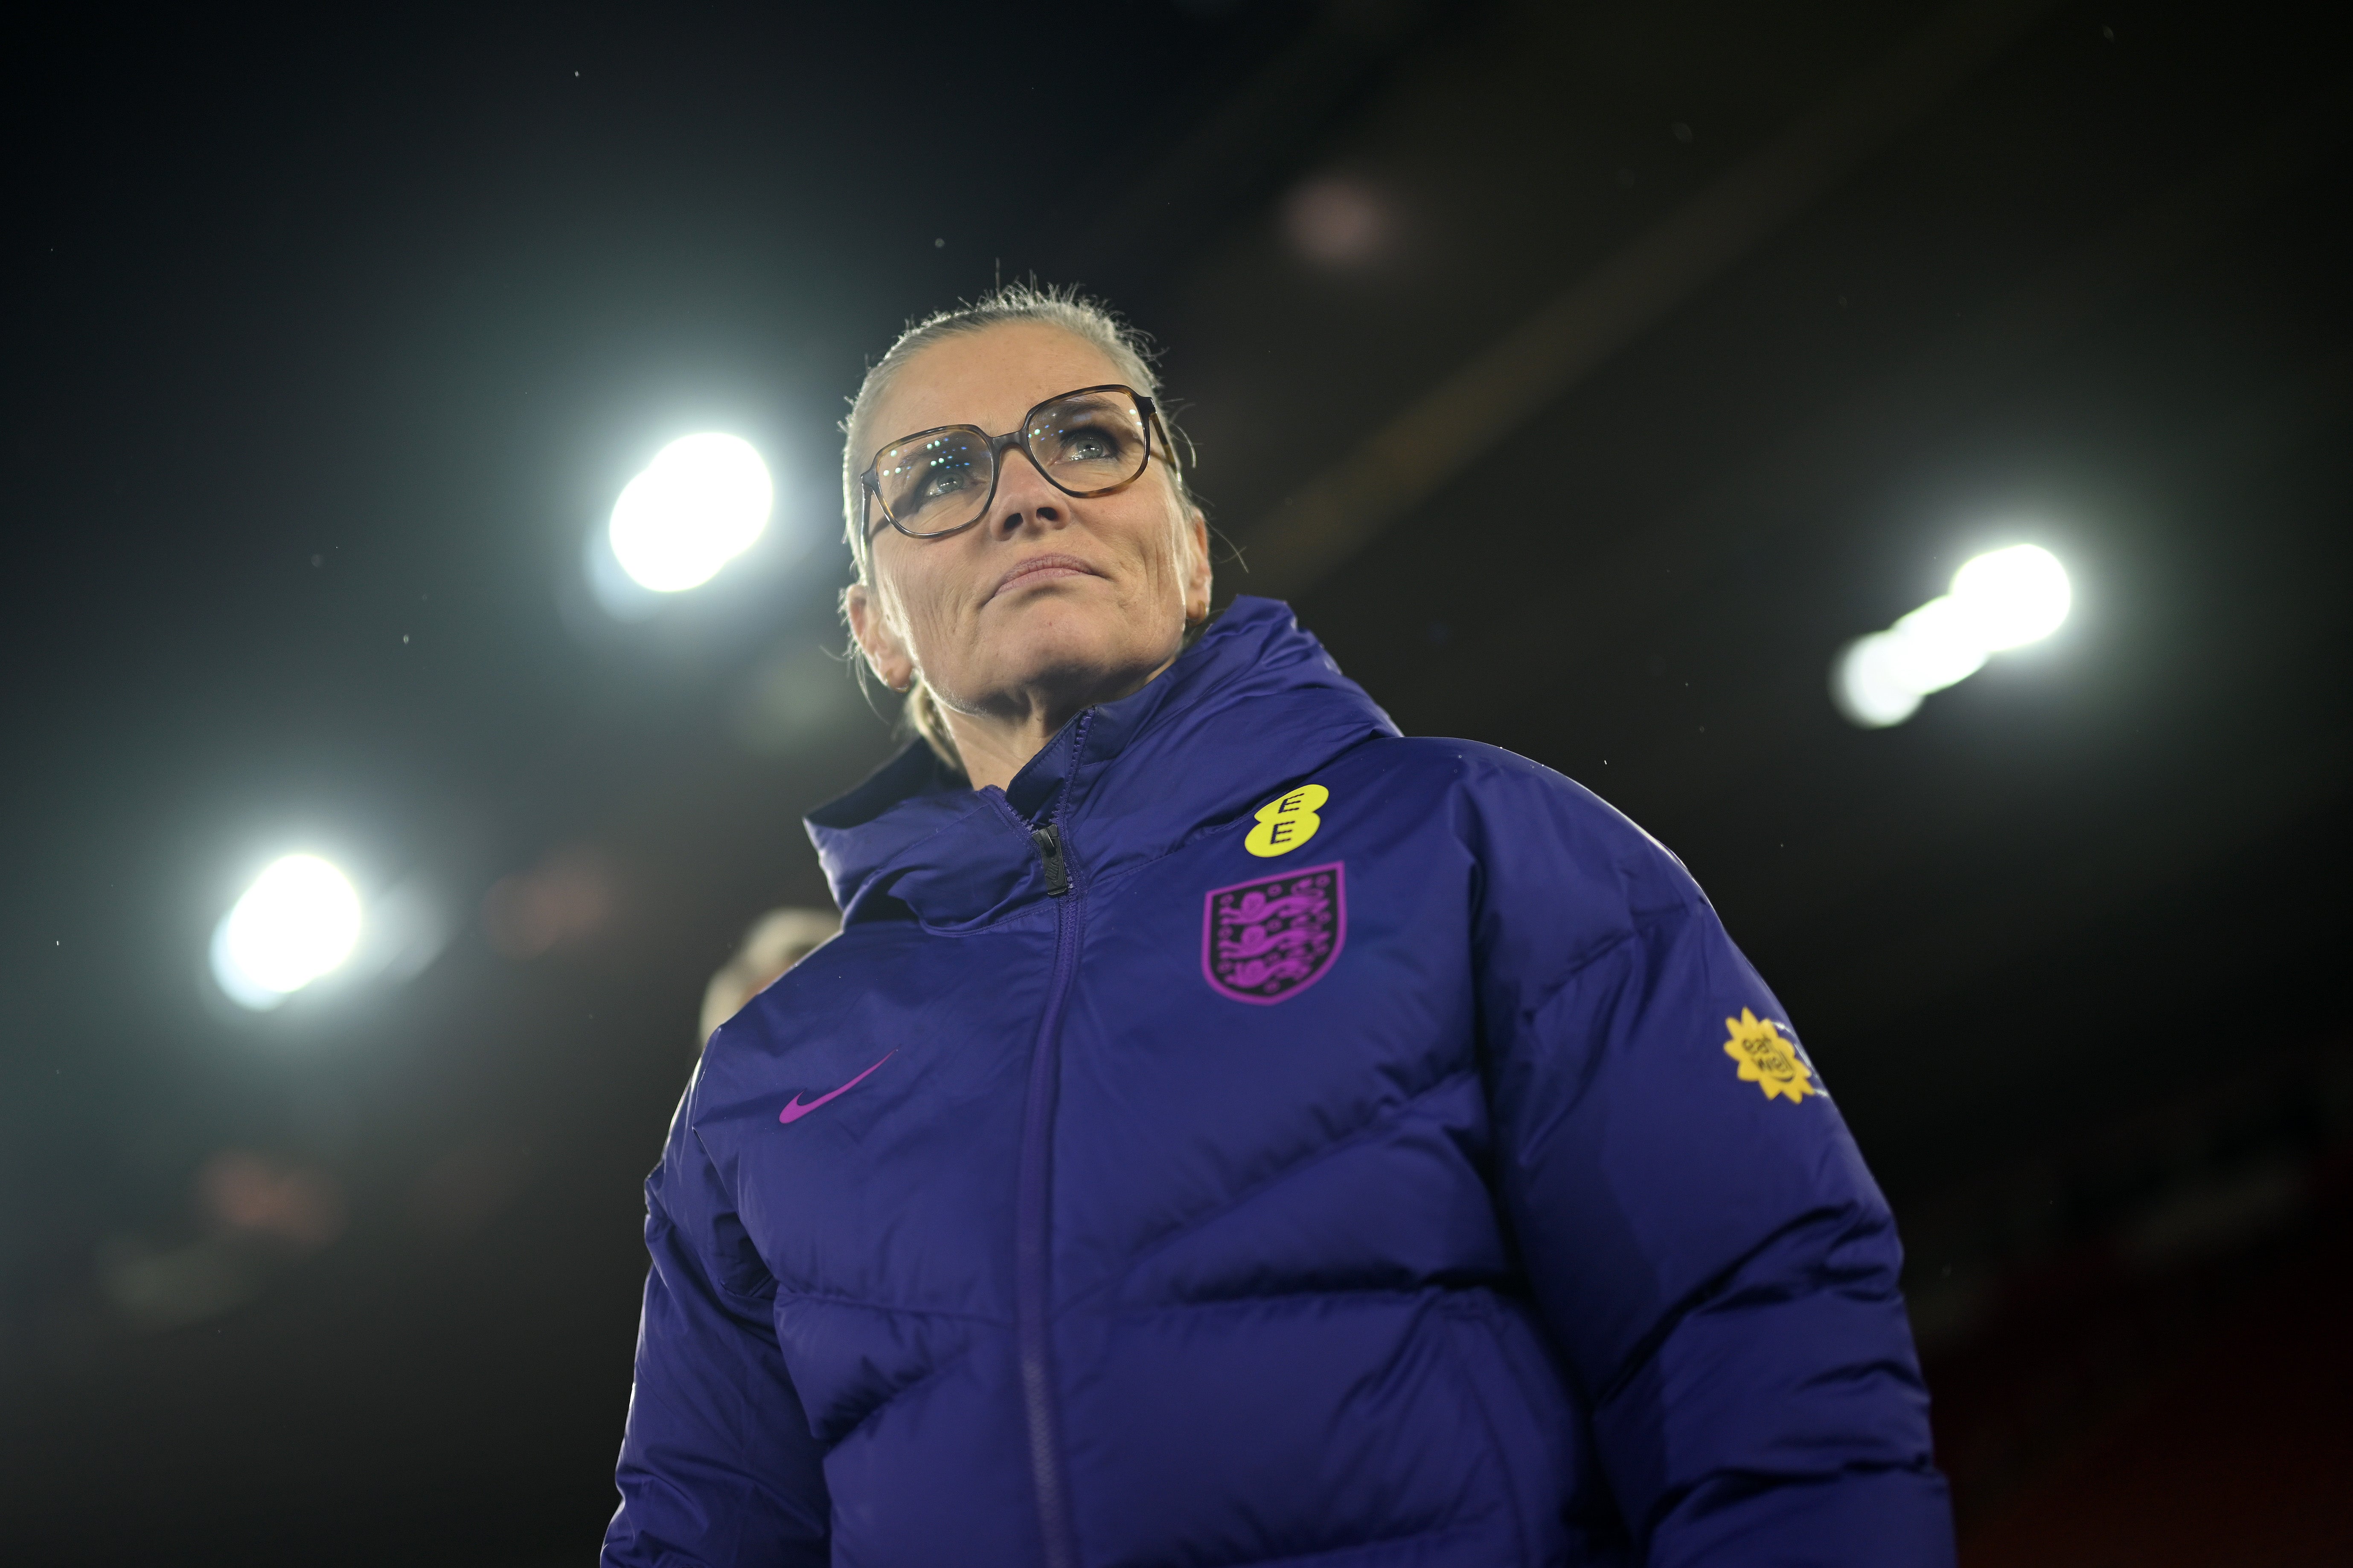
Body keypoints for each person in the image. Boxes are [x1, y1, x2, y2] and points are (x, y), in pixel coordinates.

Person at [604, 286, 1954, 1567]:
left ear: (1187, 550)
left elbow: (1757, 1325)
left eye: (1087, 438)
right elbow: (702, 1529)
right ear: (876, 628)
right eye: (936, 475)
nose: (1023, 494)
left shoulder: (1469, 836)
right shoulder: (762, 1078)